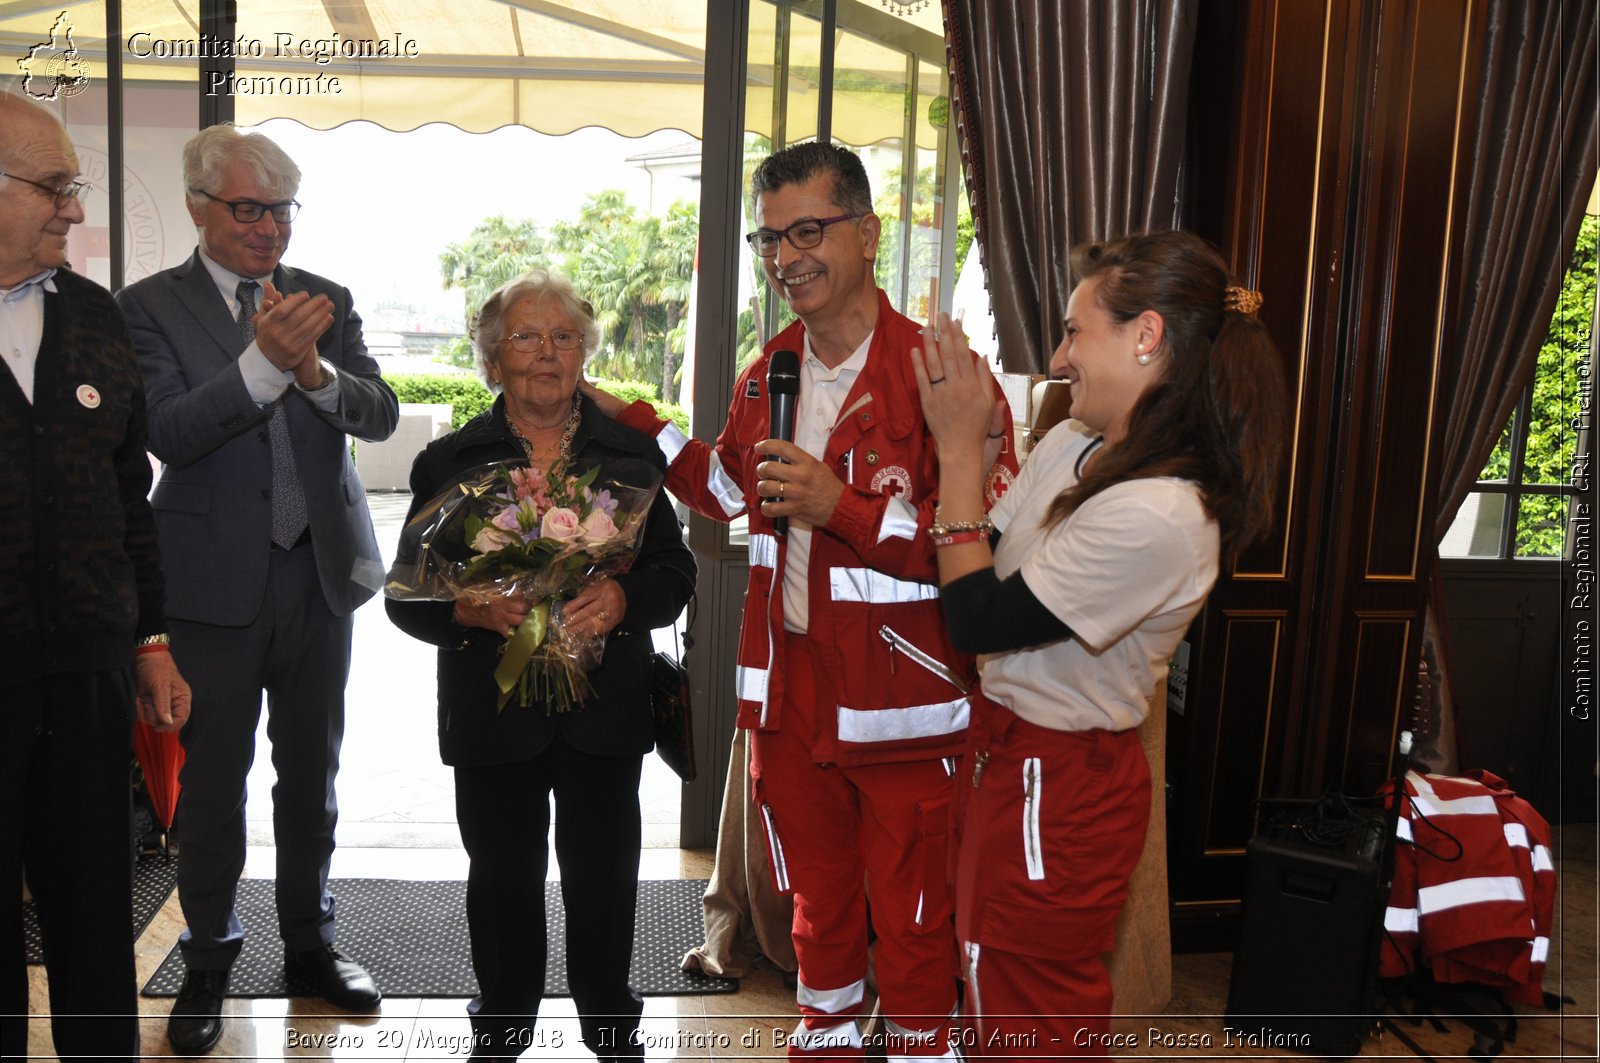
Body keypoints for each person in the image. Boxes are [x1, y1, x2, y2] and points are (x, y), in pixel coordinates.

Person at [582, 142, 1018, 1061]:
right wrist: (635, 426)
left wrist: (844, 508)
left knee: (912, 904)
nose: (787, 257)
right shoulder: (767, 370)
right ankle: (824, 1034)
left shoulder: (943, 373)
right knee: (813, 894)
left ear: (868, 233)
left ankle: (920, 1046)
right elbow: (736, 494)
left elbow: (987, 541)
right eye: (770, 239)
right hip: (788, 695)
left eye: (808, 230)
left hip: (907, 700)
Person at [911, 230, 1289, 1056]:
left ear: (1146, 336)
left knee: (1032, 1018)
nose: (1058, 356)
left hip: (1062, 780)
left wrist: (954, 448)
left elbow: (976, 618)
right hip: (1003, 755)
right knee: (985, 983)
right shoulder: (1075, 445)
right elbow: (974, 561)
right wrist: (967, 456)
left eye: (1077, 330)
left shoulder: (1161, 511)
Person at [114, 124, 398, 1055]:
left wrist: (313, 373)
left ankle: (311, 945)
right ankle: (206, 955)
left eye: (282, 209)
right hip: (208, 585)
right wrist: (261, 365)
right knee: (212, 784)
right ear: (199, 206)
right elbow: (167, 430)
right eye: (249, 209)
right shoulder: (146, 308)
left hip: (319, 575)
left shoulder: (328, 298)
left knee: (311, 776)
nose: (269, 227)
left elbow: (380, 409)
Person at [387, 269, 696, 1061]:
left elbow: (675, 572)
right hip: (494, 713)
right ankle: (501, 1031)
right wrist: (466, 607)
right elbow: (404, 595)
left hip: (605, 710)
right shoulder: (452, 462)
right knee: (501, 882)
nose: (546, 353)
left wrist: (625, 602)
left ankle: (610, 1029)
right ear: (493, 360)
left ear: (584, 353)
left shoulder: (630, 457)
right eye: (525, 337)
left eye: (564, 337)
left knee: (604, 881)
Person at [0, 90, 191, 1061]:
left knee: (91, 918)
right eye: (54, 187)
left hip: (87, 675)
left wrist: (150, 641)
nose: (73, 208)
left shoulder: (93, 317)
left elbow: (129, 495)